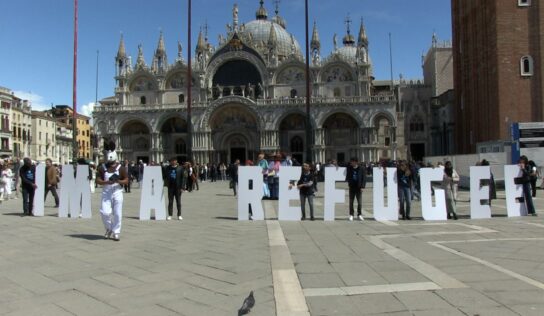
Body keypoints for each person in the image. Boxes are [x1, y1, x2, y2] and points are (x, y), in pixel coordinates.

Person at [96, 154, 129, 241]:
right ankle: (109, 228)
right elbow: (98, 180)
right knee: (104, 212)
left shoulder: (121, 168)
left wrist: (118, 181)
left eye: (112, 162)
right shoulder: (102, 168)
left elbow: (126, 180)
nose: (111, 163)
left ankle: (116, 232)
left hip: (117, 191)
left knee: (117, 213)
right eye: (109, 162)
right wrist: (106, 182)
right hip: (106, 192)